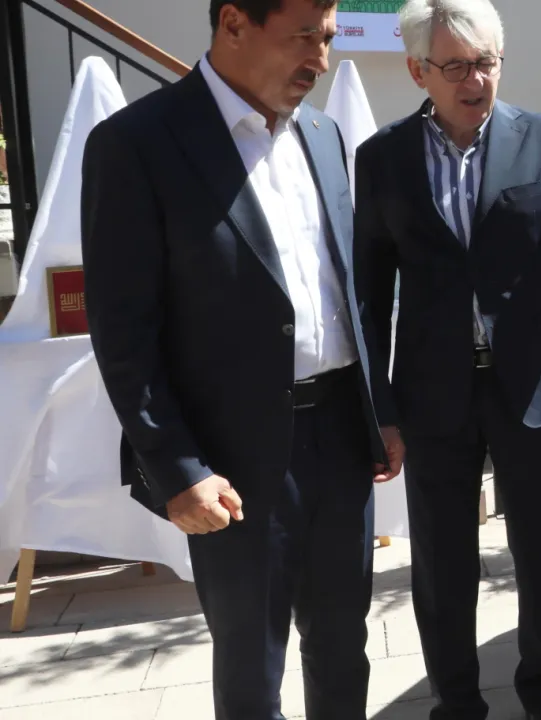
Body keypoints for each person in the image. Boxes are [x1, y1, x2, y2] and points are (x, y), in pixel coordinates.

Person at [80, 1, 404, 718]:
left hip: (342, 440)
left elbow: (344, 291)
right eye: (304, 37)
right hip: (233, 460)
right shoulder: (137, 143)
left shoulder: (322, 134)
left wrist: (378, 410)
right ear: (233, 23)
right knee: (252, 666)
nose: (320, 60)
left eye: (327, 37)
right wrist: (177, 468)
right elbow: (123, 333)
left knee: (343, 648)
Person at [352, 1, 541, 718]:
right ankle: (457, 703)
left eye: (486, 63)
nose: (475, 81)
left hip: (533, 385)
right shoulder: (383, 158)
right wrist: (380, 409)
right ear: (418, 71)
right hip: (432, 393)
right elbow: (367, 291)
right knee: (442, 563)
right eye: (456, 66)